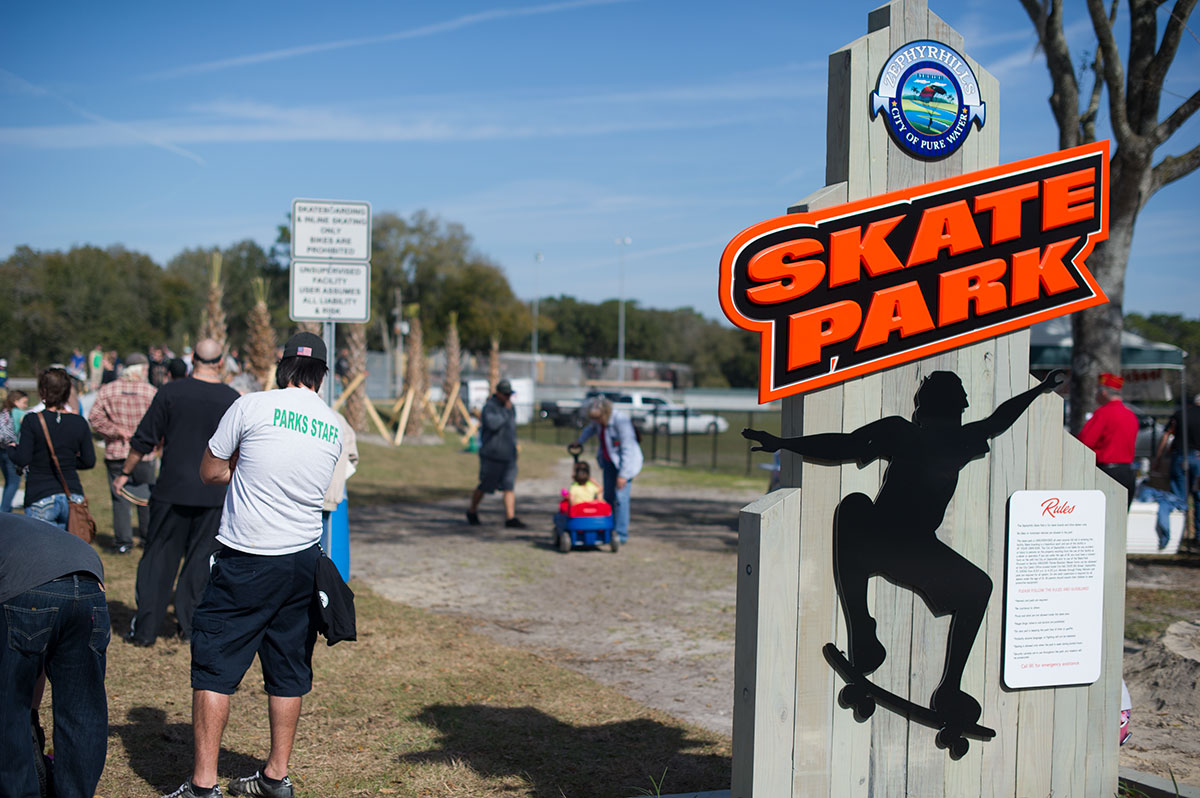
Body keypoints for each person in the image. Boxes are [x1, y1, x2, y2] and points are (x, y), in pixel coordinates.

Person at [743, 370, 1063, 728]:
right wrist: (786, 443)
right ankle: (863, 630)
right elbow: (844, 445)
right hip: (885, 536)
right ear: (956, 407)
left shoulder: (944, 437)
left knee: (978, 586)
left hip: (913, 548)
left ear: (923, 409)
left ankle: (949, 689)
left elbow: (999, 419)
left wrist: (1038, 389)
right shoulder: (919, 435)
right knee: (854, 507)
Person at [158, 332, 343, 798]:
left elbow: (210, 471)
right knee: (288, 670)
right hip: (303, 559)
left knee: (215, 666)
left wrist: (246, 463)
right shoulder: (333, 425)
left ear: (283, 369)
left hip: (248, 556)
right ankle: (276, 778)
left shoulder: (250, 406)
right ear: (321, 375)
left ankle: (204, 785)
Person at [113, 339, 239, 646]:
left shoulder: (170, 392)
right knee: (200, 563)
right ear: (221, 363)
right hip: (214, 493)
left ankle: (145, 631)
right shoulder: (233, 399)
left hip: (172, 489)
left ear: (192, 359)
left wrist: (125, 473)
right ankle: (189, 627)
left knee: (158, 560)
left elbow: (145, 439)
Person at [0, 513, 109, 797]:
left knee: (8, 708)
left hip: (30, 590)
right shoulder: (18, 524)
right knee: (83, 711)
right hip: (90, 586)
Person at [9, 367, 96, 529]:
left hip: (41, 494)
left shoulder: (32, 420)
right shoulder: (79, 423)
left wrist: (11, 449)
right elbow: (89, 461)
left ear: (43, 391)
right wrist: (68, 461)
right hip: (73, 495)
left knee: (44, 552)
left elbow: (23, 459)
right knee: (71, 552)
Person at [89, 352, 158, 554]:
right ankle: (147, 537)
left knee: (119, 498)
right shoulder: (151, 392)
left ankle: (123, 542)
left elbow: (94, 417)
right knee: (145, 498)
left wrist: (115, 431)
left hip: (117, 450)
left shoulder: (108, 390)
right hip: (144, 452)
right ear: (141, 370)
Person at [576, 396, 644, 545]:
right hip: (608, 462)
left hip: (625, 463)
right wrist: (579, 441)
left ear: (605, 414)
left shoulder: (621, 422)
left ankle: (620, 534)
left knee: (621, 498)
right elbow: (590, 430)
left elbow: (628, 449)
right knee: (608, 497)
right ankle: (607, 529)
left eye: (597, 418)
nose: (596, 422)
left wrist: (623, 475)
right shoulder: (598, 422)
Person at [467, 379, 527, 528]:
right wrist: (505, 412)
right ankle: (472, 510)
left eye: (509, 395)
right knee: (485, 485)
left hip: (508, 455)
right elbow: (493, 425)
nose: (508, 398)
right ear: (498, 393)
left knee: (509, 485)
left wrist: (514, 447)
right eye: (505, 394)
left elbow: (512, 430)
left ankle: (510, 518)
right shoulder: (490, 407)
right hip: (491, 455)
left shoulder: (510, 407)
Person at [1077, 372, 1139, 507]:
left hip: (1107, 473)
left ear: (1103, 393)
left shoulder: (1103, 414)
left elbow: (1084, 443)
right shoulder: (1131, 415)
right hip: (1127, 472)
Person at [1154, 393, 1200, 546]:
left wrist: (1158, 458)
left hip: (1181, 458)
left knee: (1178, 498)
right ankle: (1198, 536)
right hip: (1198, 460)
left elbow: (1166, 436)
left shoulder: (1180, 415)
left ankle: (1176, 537)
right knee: (1198, 497)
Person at [1, 390, 28, 513]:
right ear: (15, 401)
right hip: (12, 450)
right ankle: (4, 511)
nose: (26, 405)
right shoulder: (18, 413)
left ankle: (5, 508)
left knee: (8, 481)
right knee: (14, 482)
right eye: (24, 402)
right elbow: (28, 424)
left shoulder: (5, 412)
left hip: (2, 450)